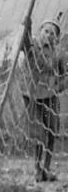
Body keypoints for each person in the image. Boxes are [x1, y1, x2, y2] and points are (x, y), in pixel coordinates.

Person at [21, 15, 67, 182]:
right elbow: (25, 40)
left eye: (52, 33)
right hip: (32, 96)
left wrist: (58, 87)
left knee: (52, 131)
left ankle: (46, 169)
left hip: (50, 97)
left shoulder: (58, 54)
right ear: (40, 32)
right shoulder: (32, 47)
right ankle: (37, 168)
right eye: (46, 31)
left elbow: (65, 75)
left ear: (56, 37)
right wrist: (27, 25)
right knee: (39, 134)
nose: (49, 35)